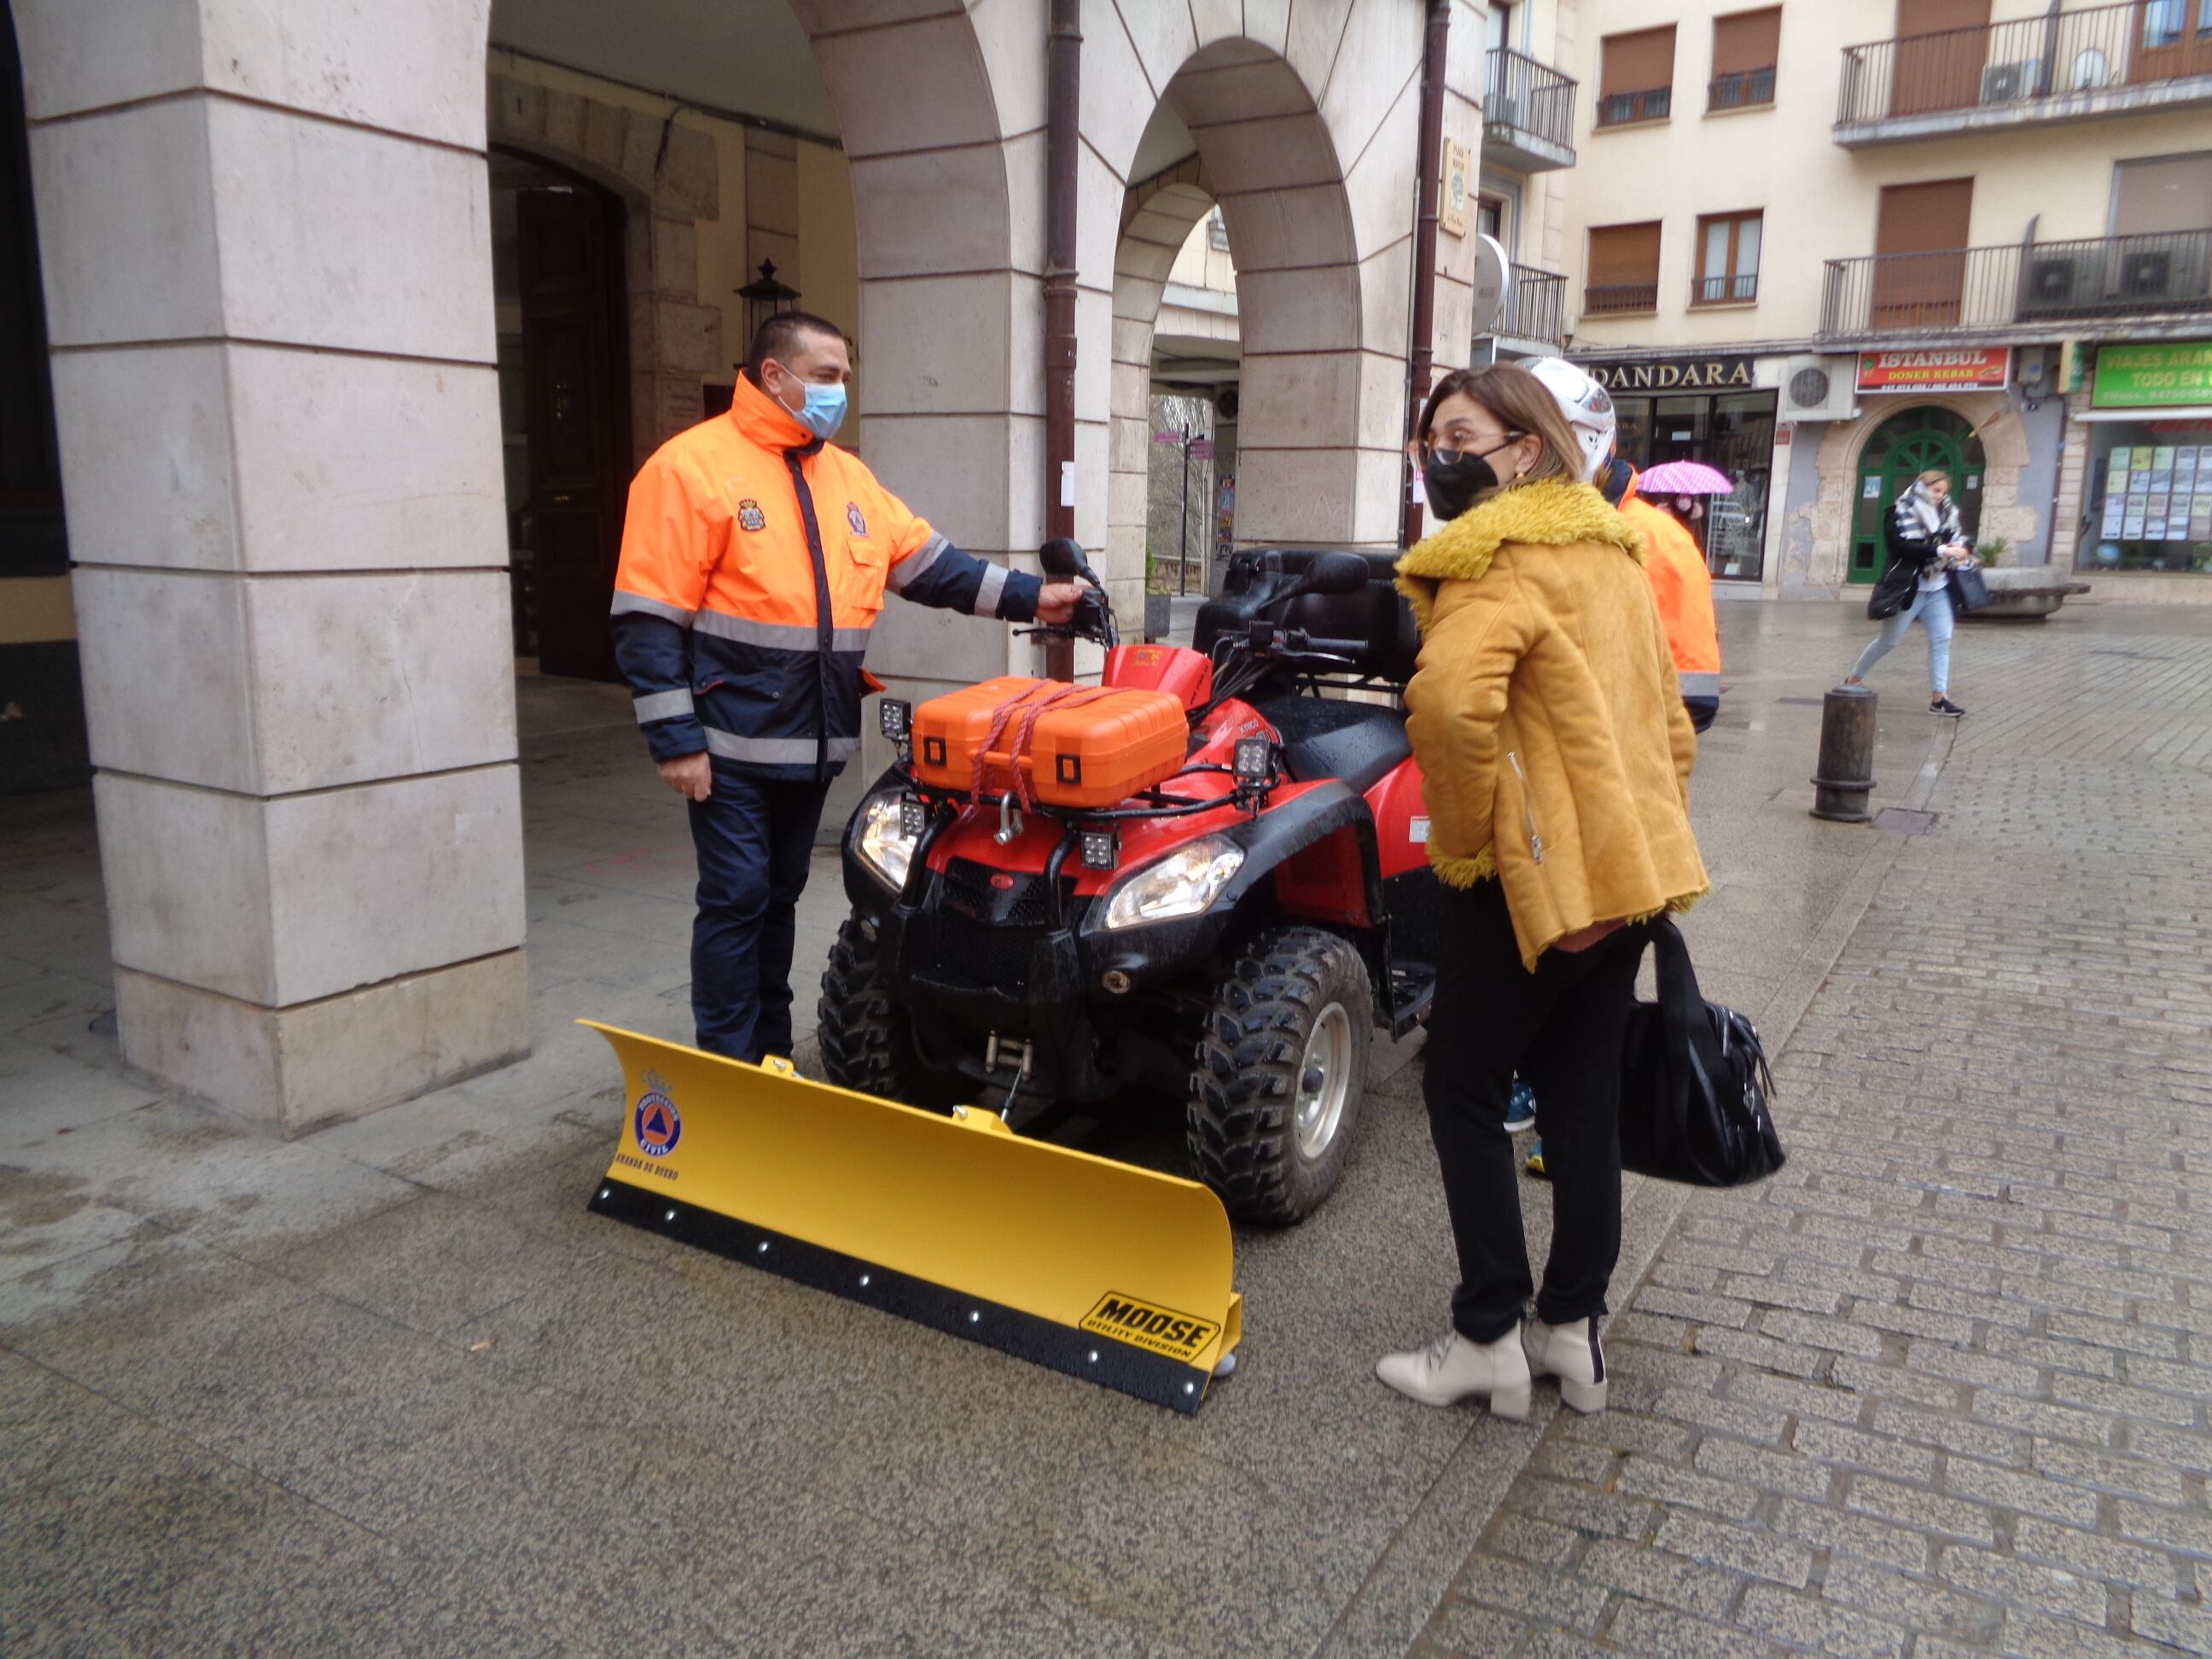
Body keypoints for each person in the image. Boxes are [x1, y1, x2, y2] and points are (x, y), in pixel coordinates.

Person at [610, 310, 1084, 1062]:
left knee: (778, 899)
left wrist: (1036, 597)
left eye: (844, 379)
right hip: (727, 746)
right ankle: (729, 1066)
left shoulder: (846, 477)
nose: (839, 393)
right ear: (774, 374)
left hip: (812, 741)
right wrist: (675, 743)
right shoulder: (689, 468)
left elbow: (936, 568)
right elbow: (646, 621)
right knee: (735, 901)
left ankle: (769, 1052)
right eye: (826, 377)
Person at [1378, 362, 1709, 1419]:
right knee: (1580, 1102)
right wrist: (1638, 839)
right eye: (1432, 435)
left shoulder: (1493, 557)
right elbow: (1669, 725)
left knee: (1463, 1092)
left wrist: (1473, 847)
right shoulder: (1611, 551)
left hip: (1528, 883)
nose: (1441, 454)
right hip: (1626, 876)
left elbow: (1449, 714)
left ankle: (1485, 1339)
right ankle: (1572, 1335)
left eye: (1461, 433)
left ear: (1525, 449)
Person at [1846, 469, 1972, 718]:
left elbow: (1958, 537)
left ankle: (1939, 698)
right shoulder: (1898, 511)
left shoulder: (1947, 512)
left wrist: (1962, 548)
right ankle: (1852, 679)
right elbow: (1899, 546)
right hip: (1908, 587)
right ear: (1922, 488)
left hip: (1937, 586)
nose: (1940, 496)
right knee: (1889, 641)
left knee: (1942, 640)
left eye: (1943, 492)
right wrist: (1941, 551)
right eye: (1936, 491)